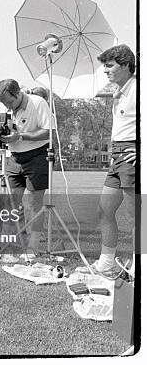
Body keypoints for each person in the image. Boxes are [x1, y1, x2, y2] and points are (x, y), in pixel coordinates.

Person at [76, 44, 136, 279]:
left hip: (132, 153)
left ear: (127, 65)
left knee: (137, 217)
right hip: (117, 155)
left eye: (110, 66)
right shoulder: (121, 90)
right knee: (104, 210)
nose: (105, 71)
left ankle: (138, 267)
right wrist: (114, 91)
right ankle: (107, 263)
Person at [0, 78, 52, 260]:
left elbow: (49, 132)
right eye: (4, 103)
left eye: (10, 102)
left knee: (34, 204)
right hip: (14, 158)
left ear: (18, 93)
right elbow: (2, 130)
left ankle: (32, 247)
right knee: (10, 203)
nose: (7, 107)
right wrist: (2, 136)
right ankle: (4, 243)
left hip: (36, 157)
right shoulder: (3, 107)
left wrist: (20, 136)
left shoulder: (38, 103)